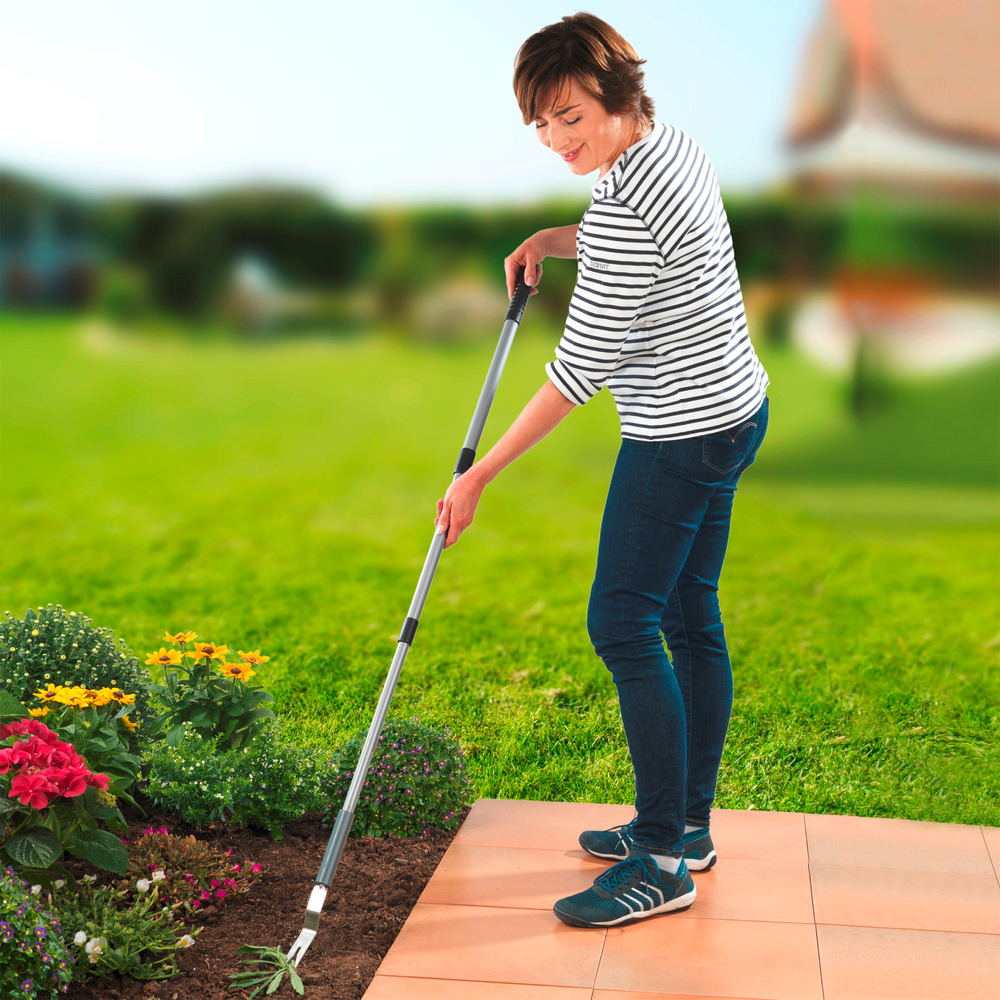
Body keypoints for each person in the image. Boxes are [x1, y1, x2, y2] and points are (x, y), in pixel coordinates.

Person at [434, 12, 770, 928]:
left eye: (572, 117)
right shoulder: (669, 148)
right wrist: (553, 237)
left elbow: (575, 372)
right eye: (541, 123)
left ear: (620, 97)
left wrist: (477, 477)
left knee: (623, 623)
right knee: (688, 614)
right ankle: (687, 831)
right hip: (735, 408)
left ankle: (662, 860)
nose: (557, 140)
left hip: (681, 433)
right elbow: (632, 229)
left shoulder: (626, 205)